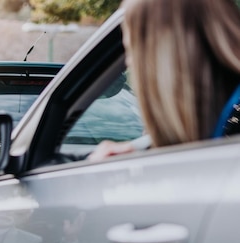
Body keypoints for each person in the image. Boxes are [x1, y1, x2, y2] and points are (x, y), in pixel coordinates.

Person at [87, 0, 240, 161]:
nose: (129, 63)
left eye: (132, 51)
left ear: (161, 57)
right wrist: (138, 149)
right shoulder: (223, 110)